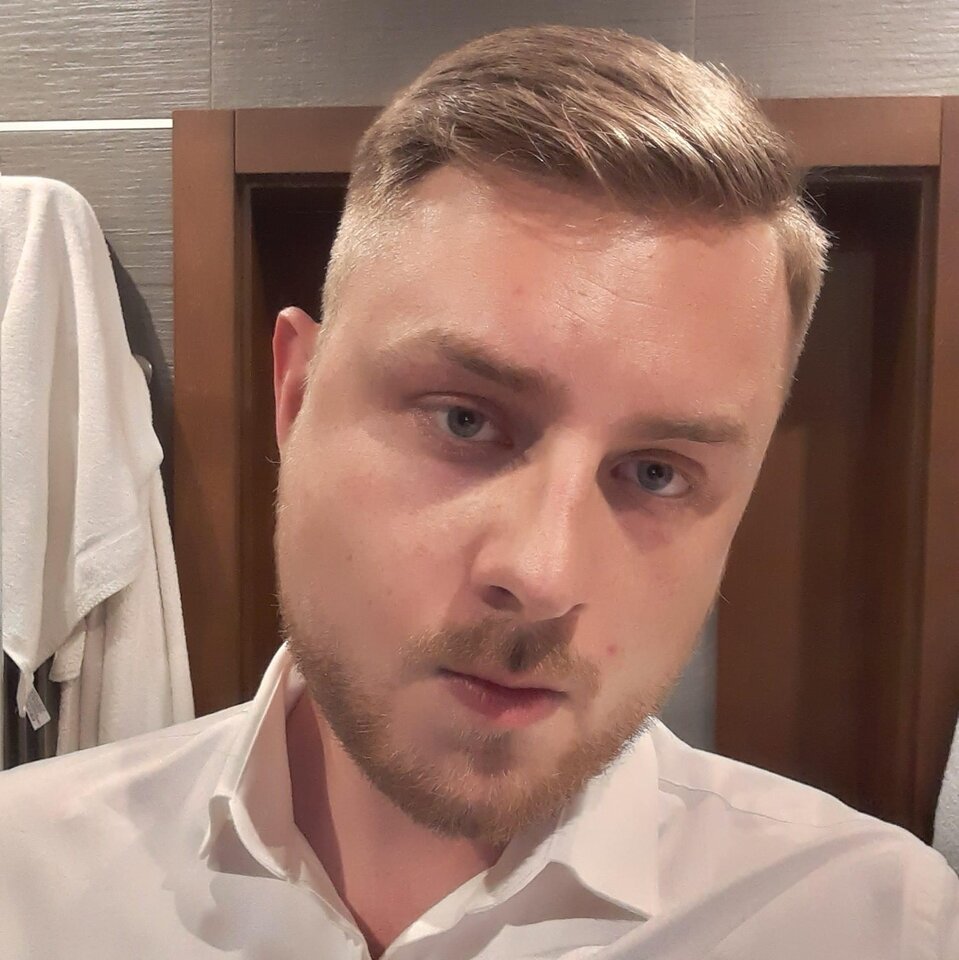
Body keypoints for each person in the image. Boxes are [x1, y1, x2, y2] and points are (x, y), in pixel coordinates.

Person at [1, 24, 956, 960]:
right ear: (294, 396)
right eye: (463, 420)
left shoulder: (874, 925)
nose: (542, 576)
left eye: (656, 473)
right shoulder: (24, 882)